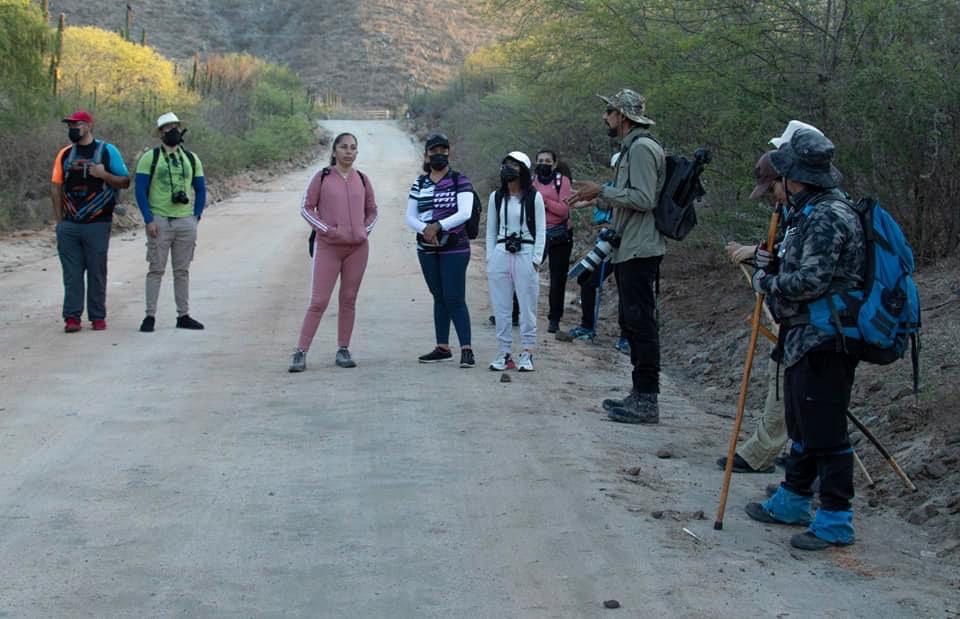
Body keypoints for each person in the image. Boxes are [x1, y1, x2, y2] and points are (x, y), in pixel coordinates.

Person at [746, 128, 864, 551]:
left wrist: (769, 281)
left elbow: (812, 279)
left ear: (795, 177)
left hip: (827, 340)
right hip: (804, 337)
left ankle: (835, 519)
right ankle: (793, 499)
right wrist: (771, 262)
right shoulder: (808, 211)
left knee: (826, 432)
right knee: (802, 424)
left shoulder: (829, 215)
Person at [717, 122, 829, 473]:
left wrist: (768, 281)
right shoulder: (801, 209)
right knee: (790, 387)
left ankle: (778, 460)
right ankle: (785, 461)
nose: (774, 197)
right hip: (799, 317)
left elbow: (812, 273)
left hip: (815, 321)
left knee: (800, 393)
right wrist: (766, 256)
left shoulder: (823, 211)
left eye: (774, 187)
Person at [567, 89, 665, 424]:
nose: (605, 117)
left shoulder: (641, 150)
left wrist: (603, 190)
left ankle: (647, 400)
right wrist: (596, 200)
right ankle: (639, 395)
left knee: (641, 323)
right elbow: (630, 197)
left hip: (640, 248)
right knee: (632, 321)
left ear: (623, 115)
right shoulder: (631, 149)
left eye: (609, 111)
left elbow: (644, 198)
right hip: (629, 246)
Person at [288, 132, 377, 371]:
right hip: (328, 247)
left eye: (353, 148)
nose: (349, 151)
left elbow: (372, 211)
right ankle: (300, 352)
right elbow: (306, 208)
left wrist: (364, 231)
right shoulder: (323, 177)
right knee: (318, 301)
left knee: (348, 300)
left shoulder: (363, 179)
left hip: (357, 249)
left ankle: (343, 349)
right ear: (334, 151)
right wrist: (327, 230)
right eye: (344, 147)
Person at [51, 110, 131, 332]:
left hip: (98, 223)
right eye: (69, 126)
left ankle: (97, 317)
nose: (71, 129)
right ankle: (72, 318)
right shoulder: (64, 154)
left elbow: (124, 182)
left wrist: (104, 175)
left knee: (97, 271)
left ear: (88, 126)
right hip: (69, 225)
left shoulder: (107, 151)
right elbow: (56, 187)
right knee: (72, 274)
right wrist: (59, 222)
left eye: (75, 125)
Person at [405, 133, 476, 368]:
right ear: (426, 155)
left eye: (443, 150)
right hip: (426, 247)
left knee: (454, 297)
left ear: (449, 153)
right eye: (434, 151)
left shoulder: (459, 180)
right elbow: (410, 216)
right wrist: (427, 230)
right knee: (439, 297)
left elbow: (465, 212)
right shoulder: (420, 183)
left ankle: (467, 349)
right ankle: (442, 347)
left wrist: (438, 226)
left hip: (455, 247)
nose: (439, 155)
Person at [134, 112, 208, 332]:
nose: (173, 131)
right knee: (156, 269)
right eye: (167, 128)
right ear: (160, 132)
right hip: (160, 219)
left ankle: (183, 314)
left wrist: (195, 216)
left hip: (185, 220)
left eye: (176, 127)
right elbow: (139, 190)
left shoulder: (191, 159)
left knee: (182, 270)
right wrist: (148, 219)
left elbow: (200, 188)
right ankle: (150, 316)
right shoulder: (150, 158)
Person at [486, 151, 546, 371]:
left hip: (525, 253)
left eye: (514, 165)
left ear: (524, 170)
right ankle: (504, 353)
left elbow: (541, 230)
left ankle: (527, 352)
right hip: (501, 252)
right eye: (506, 164)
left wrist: (536, 259)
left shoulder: (533, 197)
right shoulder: (496, 197)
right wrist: (490, 258)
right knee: (501, 307)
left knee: (527, 306)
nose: (508, 168)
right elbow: (491, 230)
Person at [532, 149, 574, 333]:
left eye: (548, 161)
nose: (544, 163)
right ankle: (516, 312)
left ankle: (554, 319)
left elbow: (563, 210)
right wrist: (550, 204)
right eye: (540, 160)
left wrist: (543, 201)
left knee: (558, 279)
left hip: (560, 235)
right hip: (537, 234)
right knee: (525, 272)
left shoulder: (562, 182)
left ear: (555, 164)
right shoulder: (530, 182)